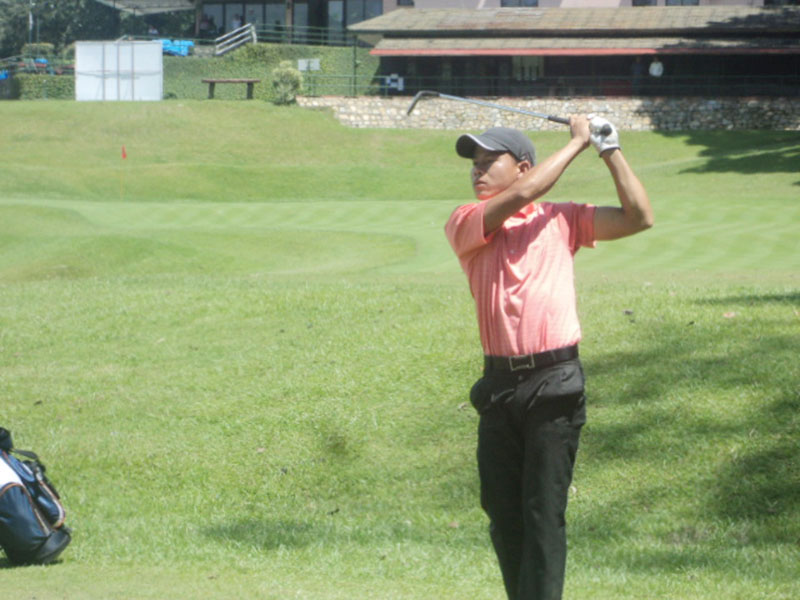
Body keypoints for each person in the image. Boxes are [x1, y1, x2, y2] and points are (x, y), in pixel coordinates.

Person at [444, 118, 653, 600]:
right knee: (503, 513)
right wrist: (577, 142)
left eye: (487, 162)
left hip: (554, 381)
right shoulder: (465, 222)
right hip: (497, 389)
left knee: (542, 513)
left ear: (522, 167)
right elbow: (518, 199)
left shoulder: (563, 218)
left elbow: (638, 216)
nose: (476, 172)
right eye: (472, 165)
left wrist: (608, 149)